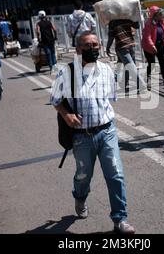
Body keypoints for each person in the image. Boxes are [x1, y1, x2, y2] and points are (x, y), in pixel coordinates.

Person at [50, 31, 135, 234]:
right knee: (83, 176)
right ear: (78, 49)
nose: (93, 49)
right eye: (87, 45)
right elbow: (55, 100)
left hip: (107, 131)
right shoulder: (67, 73)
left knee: (116, 175)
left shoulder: (106, 70)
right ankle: (80, 198)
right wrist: (66, 115)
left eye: (96, 45)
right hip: (81, 137)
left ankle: (120, 219)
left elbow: (108, 99)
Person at [107, 19, 146, 93]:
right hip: (131, 45)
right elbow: (137, 26)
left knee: (130, 67)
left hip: (121, 47)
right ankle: (124, 84)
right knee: (128, 66)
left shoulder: (112, 22)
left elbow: (111, 37)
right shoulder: (127, 18)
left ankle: (142, 85)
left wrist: (108, 47)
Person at [142, 6, 164, 86]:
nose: (161, 15)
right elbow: (147, 37)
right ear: (154, 15)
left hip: (160, 44)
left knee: (162, 61)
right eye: (159, 14)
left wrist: (162, 40)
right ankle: (146, 79)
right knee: (152, 64)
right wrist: (152, 46)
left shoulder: (162, 21)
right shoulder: (148, 23)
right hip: (149, 46)